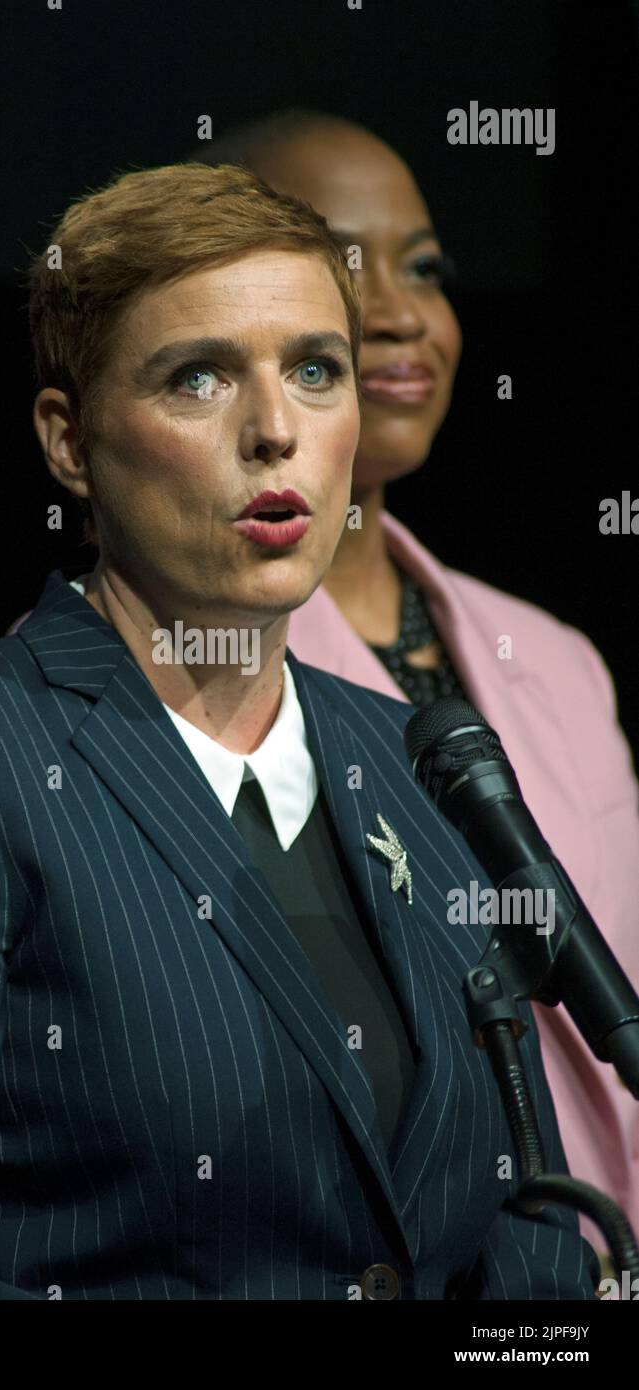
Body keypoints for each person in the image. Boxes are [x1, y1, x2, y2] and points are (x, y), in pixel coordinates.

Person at [0, 161, 600, 1300]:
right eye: (200, 378)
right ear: (69, 442)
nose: (275, 431)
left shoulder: (414, 754)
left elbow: (529, 1225)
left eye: (317, 369)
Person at [183, 110, 639, 1260]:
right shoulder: (151, 681)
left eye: (424, 266)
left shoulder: (557, 660)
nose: (396, 311)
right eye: (338, 264)